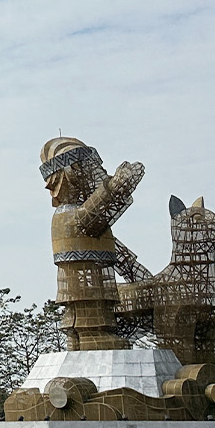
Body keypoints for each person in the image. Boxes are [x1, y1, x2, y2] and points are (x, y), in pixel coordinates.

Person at [41, 137, 145, 351]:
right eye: (91, 168)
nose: (98, 173)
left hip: (100, 280)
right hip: (83, 287)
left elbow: (120, 253)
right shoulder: (68, 215)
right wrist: (119, 185)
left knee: (102, 303)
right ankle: (90, 335)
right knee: (90, 307)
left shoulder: (83, 218)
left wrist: (141, 277)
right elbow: (99, 206)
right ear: (73, 172)